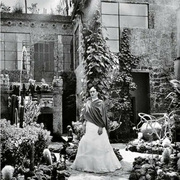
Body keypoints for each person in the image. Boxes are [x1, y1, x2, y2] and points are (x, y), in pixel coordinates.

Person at [71, 86, 121, 173]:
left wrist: (101, 126)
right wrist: (84, 124)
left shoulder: (100, 103)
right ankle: (87, 166)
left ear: (97, 93)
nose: (92, 93)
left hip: (98, 126)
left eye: (94, 91)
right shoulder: (88, 102)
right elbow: (86, 115)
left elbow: (103, 116)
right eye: (91, 92)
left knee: (99, 146)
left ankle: (100, 166)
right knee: (86, 143)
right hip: (89, 126)